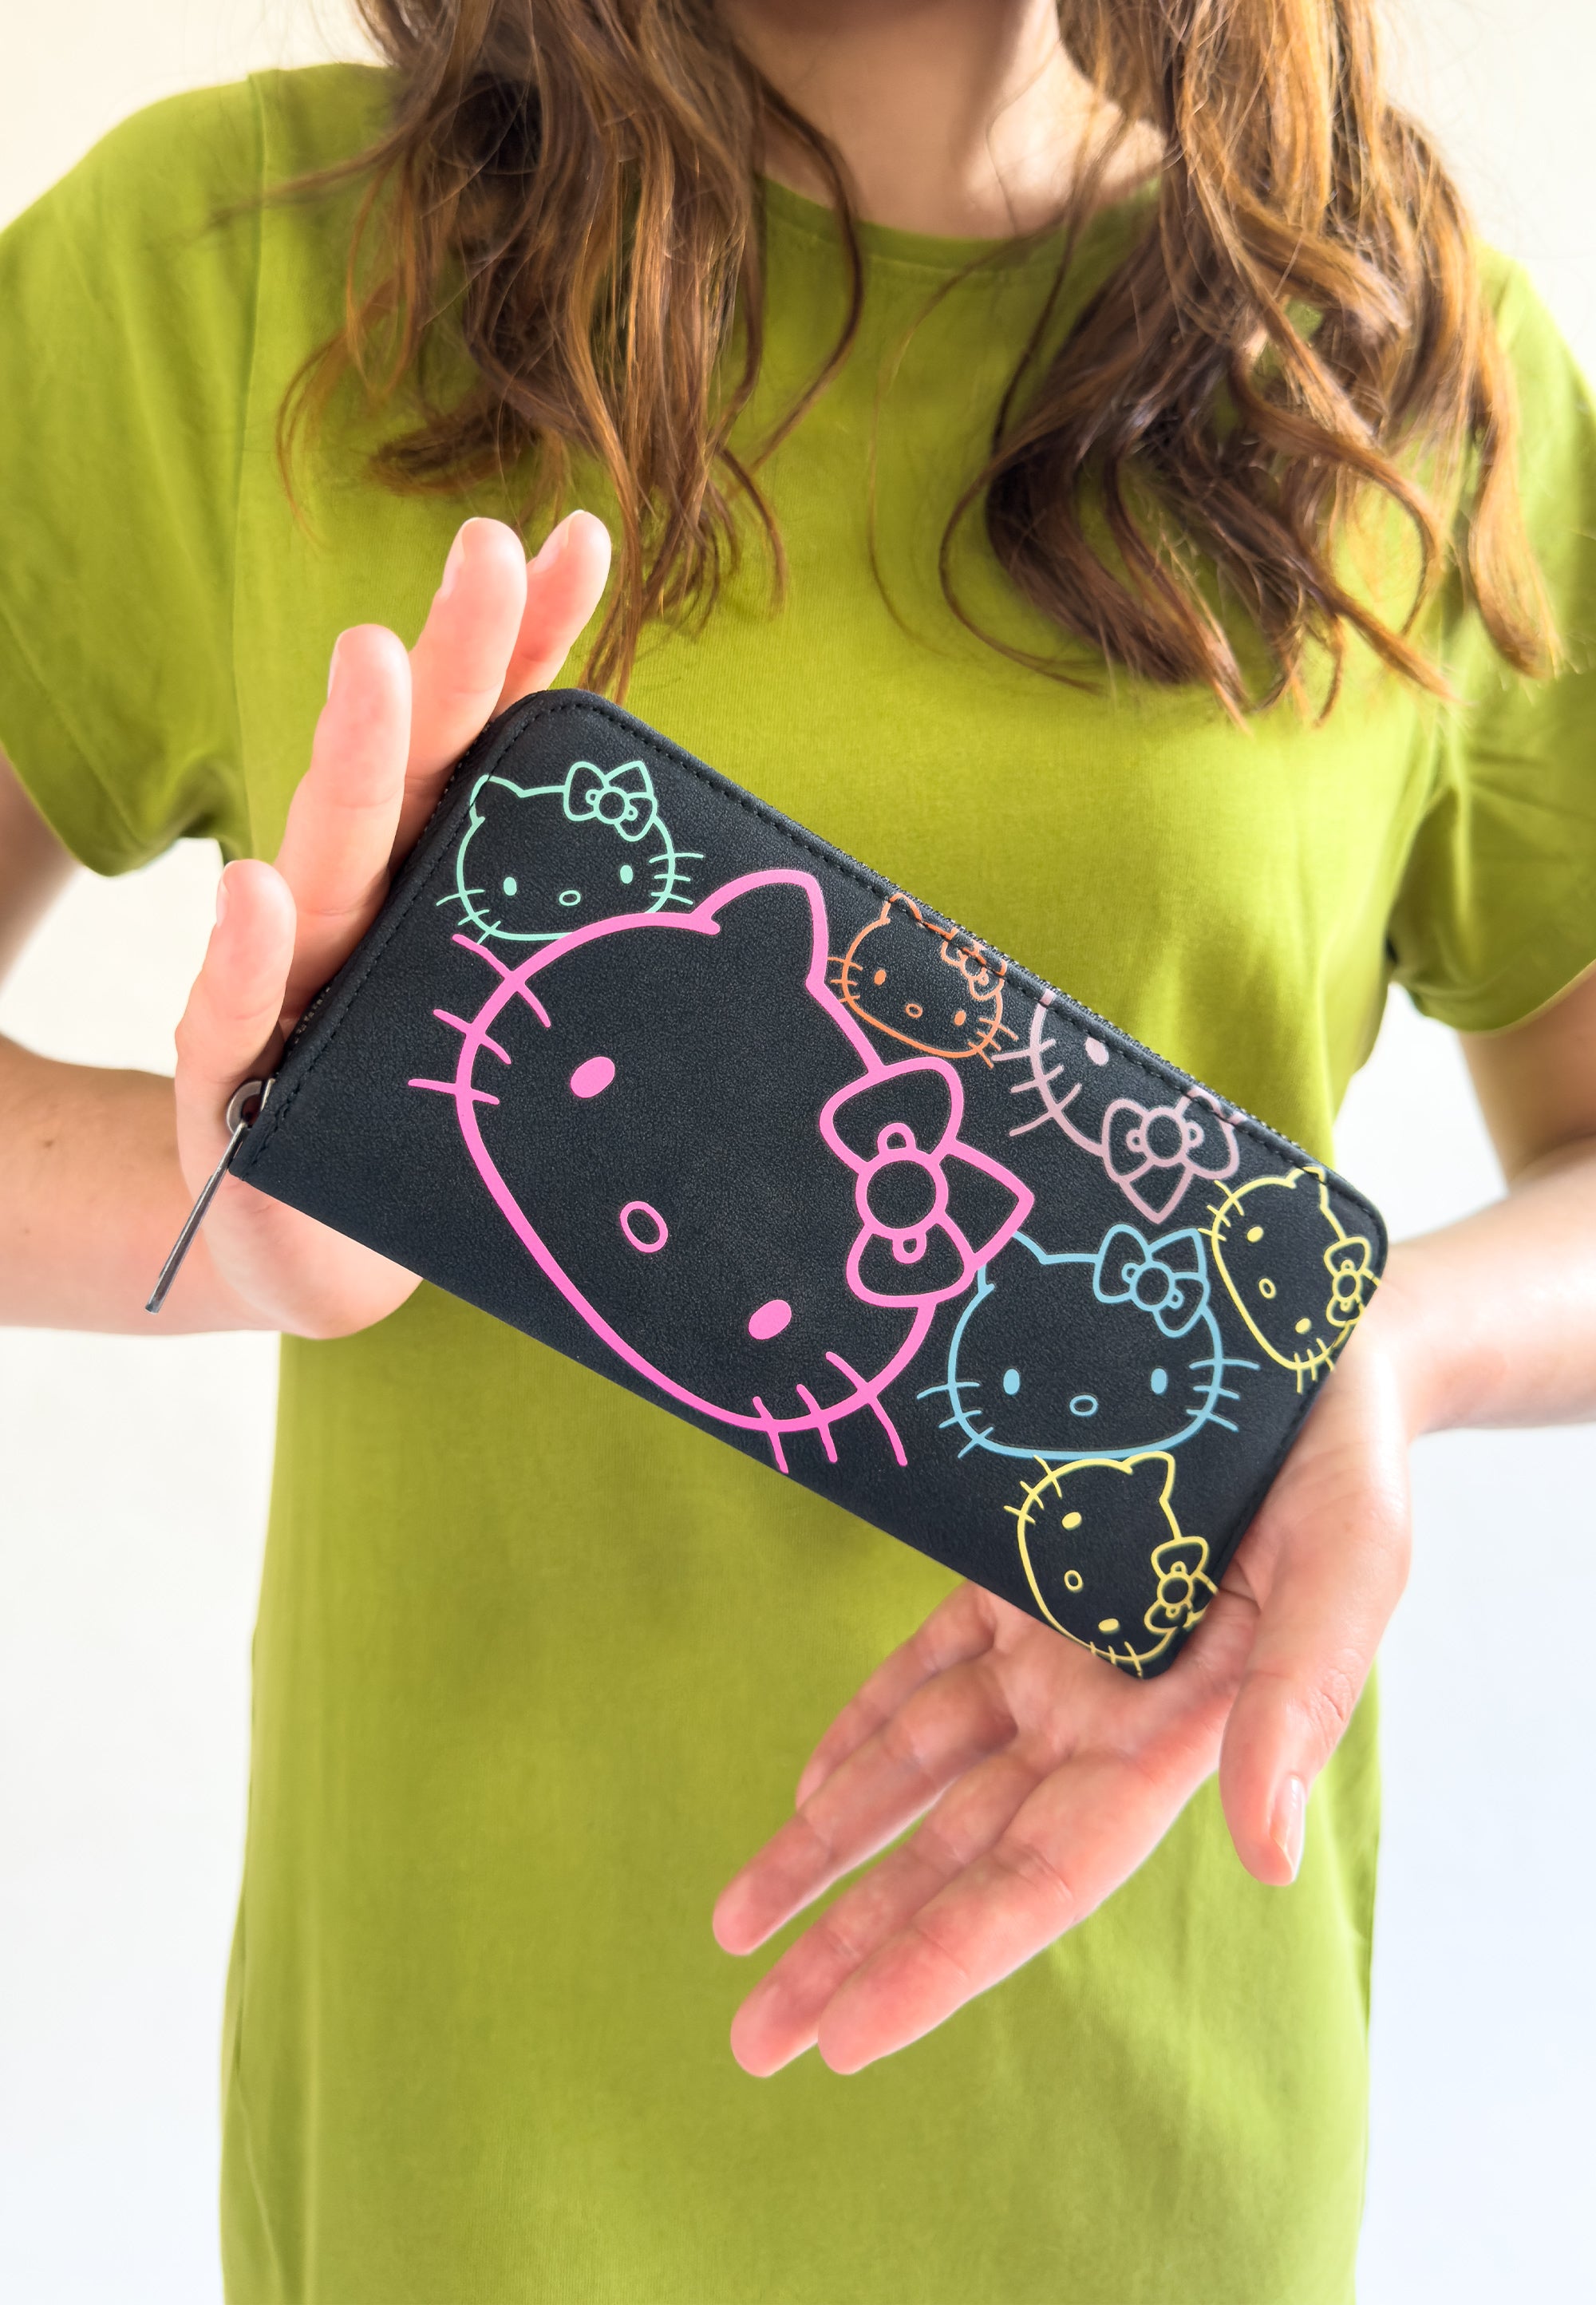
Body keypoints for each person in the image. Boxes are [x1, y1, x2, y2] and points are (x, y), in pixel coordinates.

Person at [2, 2, 1594, 2298]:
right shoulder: (232, 271)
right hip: (470, 2137)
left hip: (1145, 2113)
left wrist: (1379, 1349)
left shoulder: (1401, 374)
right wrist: (248, 1225)